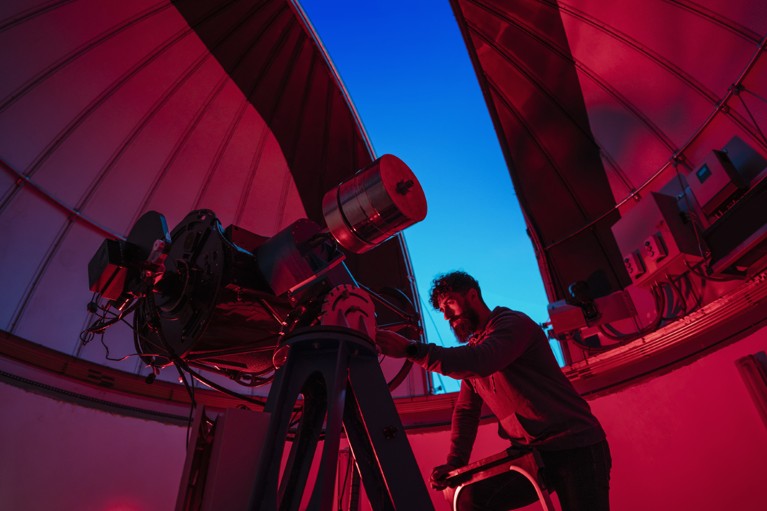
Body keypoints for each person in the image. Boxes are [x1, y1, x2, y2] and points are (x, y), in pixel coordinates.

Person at [375, 271, 611, 511]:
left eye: (450, 304)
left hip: (577, 446)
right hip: (534, 454)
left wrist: (412, 350)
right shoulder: (476, 346)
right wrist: (455, 463)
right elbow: (466, 410)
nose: (446, 316)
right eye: (441, 309)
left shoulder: (511, 324)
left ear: (472, 295)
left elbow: (481, 361)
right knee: (470, 500)